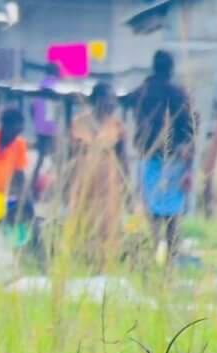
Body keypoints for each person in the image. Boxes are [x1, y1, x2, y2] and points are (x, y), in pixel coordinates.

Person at [130, 49, 197, 256]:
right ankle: (169, 266)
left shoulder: (142, 92)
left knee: (151, 214)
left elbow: (138, 125)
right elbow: (189, 130)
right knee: (173, 216)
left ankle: (149, 258)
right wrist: (188, 167)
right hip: (174, 161)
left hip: (149, 159)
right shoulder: (178, 94)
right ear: (171, 69)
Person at [56, 82, 131, 266]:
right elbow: (68, 157)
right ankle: (83, 263)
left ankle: (104, 266)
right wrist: (64, 185)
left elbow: (124, 158)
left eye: (114, 100)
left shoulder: (117, 126)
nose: (112, 103)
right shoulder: (78, 124)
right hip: (83, 186)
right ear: (96, 100)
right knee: (84, 224)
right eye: (108, 99)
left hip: (109, 188)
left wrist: (128, 187)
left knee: (108, 226)